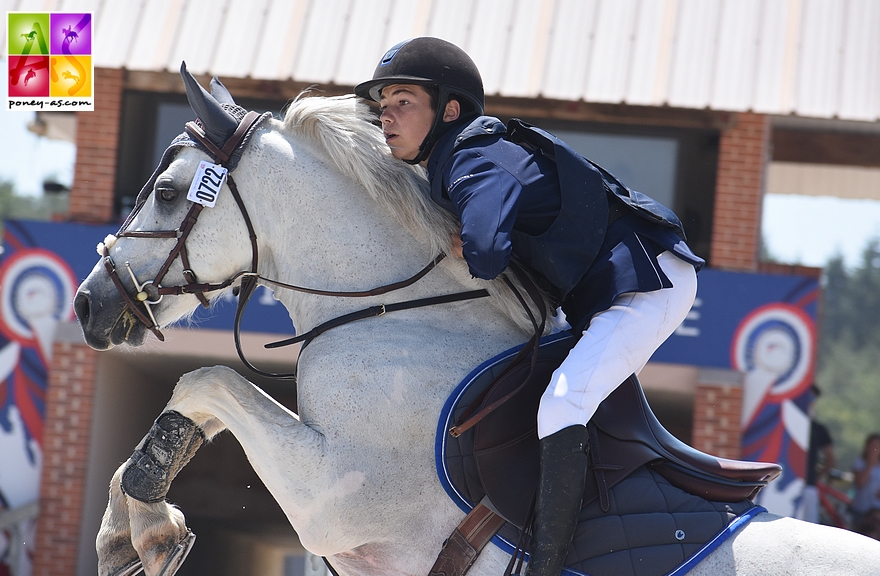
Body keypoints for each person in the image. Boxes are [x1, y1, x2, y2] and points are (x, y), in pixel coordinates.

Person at [355, 37, 704, 576]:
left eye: (403, 101)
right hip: (610, 288)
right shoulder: (458, 154)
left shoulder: (471, 154)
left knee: (563, 405)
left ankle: (548, 566)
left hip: (648, 282)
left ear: (449, 109)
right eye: (382, 107)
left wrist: (467, 242)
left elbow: (487, 253)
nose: (387, 117)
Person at [798, 385, 835, 524]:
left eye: (812, 397)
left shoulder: (818, 429)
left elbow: (831, 458)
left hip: (808, 485)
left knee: (809, 527)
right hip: (787, 484)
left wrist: (817, 477)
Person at [852, 433, 880, 536]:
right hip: (860, 510)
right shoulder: (859, 463)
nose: (874, 450)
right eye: (872, 446)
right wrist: (870, 464)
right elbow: (860, 483)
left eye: (877, 447)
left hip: (877, 514)